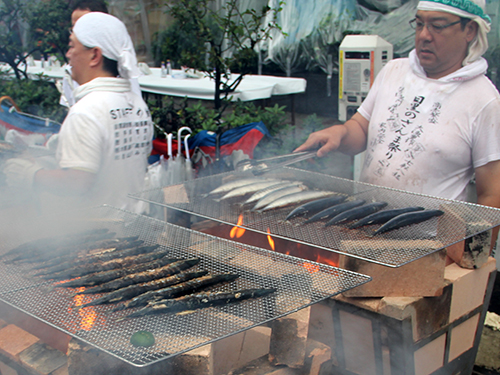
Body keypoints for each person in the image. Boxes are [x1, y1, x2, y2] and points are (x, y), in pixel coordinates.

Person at [296, 0, 500, 212]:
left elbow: (492, 194)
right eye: (419, 24)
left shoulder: (484, 100)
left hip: (430, 241)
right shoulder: (394, 71)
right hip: (362, 225)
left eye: (437, 26)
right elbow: (361, 129)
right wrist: (340, 133)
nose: (424, 36)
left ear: (470, 29)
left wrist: (475, 245)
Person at [3, 12, 153, 213]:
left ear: (95, 56)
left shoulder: (87, 111)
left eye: (72, 46)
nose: (68, 54)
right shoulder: (136, 103)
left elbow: (77, 183)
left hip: (98, 230)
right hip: (133, 221)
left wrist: (31, 174)